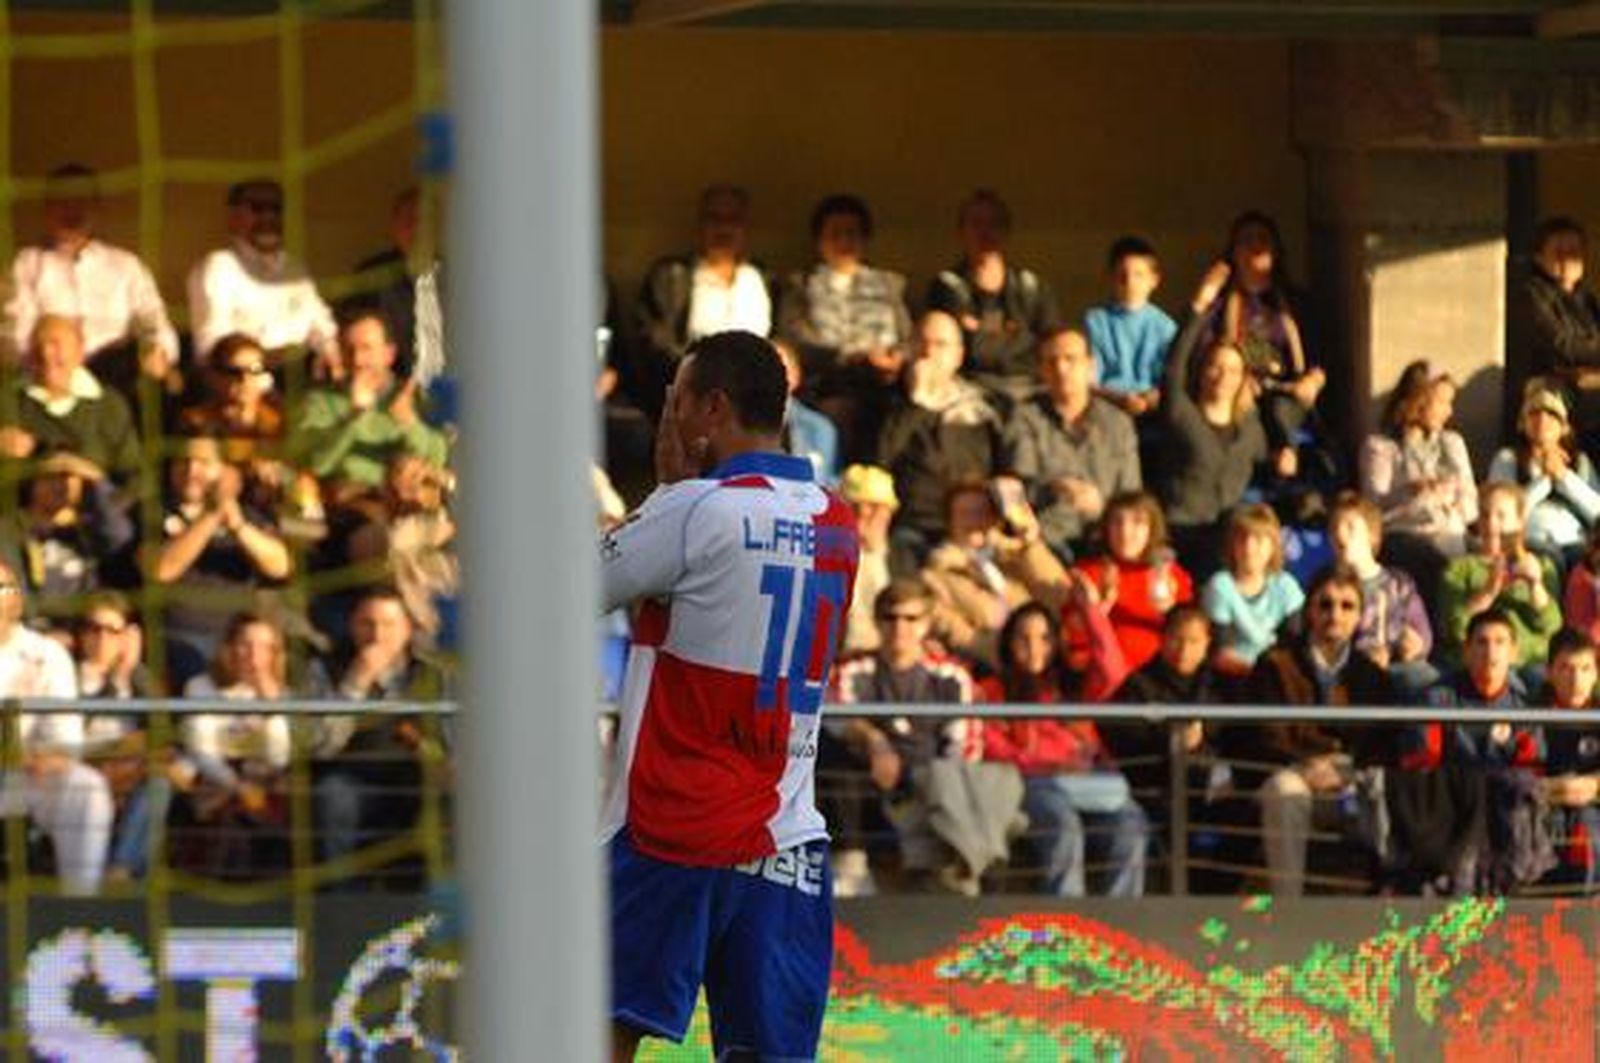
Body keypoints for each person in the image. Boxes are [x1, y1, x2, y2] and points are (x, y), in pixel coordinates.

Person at [599, 330, 859, 1063]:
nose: (671, 419)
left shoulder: (693, 509)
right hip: (785, 835)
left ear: (711, 408)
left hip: (671, 825)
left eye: (676, 402)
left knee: (598, 1032)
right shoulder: (839, 520)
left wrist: (666, 491)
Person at [1229, 564, 1393, 896]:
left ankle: (1384, 900)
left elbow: (1381, 743)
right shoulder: (1275, 664)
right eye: (1325, 604)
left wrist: (1346, 768)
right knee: (1284, 790)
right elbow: (1264, 736)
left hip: (1351, 781)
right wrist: (1307, 766)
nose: (1335, 615)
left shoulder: (1371, 675)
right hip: (1292, 773)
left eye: (1347, 606)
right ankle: (1289, 907)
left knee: (1385, 787)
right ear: (1309, 611)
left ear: (1359, 616)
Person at [830, 580, 994, 896]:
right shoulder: (854, 667)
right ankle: (852, 867)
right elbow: (837, 714)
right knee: (836, 759)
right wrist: (875, 741)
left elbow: (964, 747)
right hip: (870, 784)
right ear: (877, 621)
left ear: (927, 623)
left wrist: (931, 787)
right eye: (890, 617)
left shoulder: (951, 675)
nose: (899, 627)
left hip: (933, 787)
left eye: (911, 618)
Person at [978, 599, 1146, 897]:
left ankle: (1123, 919)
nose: (1034, 647)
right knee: (1063, 825)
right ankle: (1068, 916)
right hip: (1031, 783)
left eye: (1044, 638)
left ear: (1057, 642)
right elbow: (992, 746)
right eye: (1024, 638)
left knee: (1130, 825)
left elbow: (1113, 674)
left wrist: (1092, 611)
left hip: (1087, 781)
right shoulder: (994, 689)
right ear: (1009, 643)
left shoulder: (1073, 682)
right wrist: (1047, 766)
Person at [310, 585, 449, 889]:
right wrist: (356, 683)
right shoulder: (325, 668)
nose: (377, 635)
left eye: (389, 624)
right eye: (367, 624)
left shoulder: (432, 675)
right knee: (333, 797)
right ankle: (345, 905)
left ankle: (419, 907)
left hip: (414, 778)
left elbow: (447, 743)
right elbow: (321, 746)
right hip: (349, 777)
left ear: (408, 629)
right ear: (351, 626)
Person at [5, 164, 178, 389]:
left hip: (116, 382)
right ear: (46, 207)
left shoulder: (126, 265)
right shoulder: (25, 264)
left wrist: (156, 349)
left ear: (97, 207)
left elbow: (153, 320)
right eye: (62, 201)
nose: (72, 211)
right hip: (47, 377)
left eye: (81, 201)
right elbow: (15, 336)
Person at [0, 560, 109, 895]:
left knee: (86, 787)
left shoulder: (47, 655)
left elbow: (64, 744)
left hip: (25, 777)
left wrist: (30, 758)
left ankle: (79, 907)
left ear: (17, 601)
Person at [776, 193, 910, 464]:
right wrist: (850, 356)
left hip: (883, 385)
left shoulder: (890, 285)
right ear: (819, 240)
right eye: (835, 234)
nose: (844, 241)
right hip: (826, 384)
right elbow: (794, 338)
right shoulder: (800, 285)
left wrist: (895, 358)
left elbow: (907, 338)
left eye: (852, 233)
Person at [170, 612, 294, 880]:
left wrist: (272, 709)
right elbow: (201, 748)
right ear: (228, 648)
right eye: (245, 645)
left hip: (260, 776)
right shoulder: (200, 687)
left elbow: (279, 757)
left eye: (264, 647)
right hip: (213, 774)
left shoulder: (281, 694)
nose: (253, 655)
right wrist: (236, 785)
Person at [877, 310, 1003, 573]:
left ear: (958, 356)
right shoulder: (886, 403)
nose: (928, 352)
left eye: (940, 344)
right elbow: (879, 462)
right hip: (912, 528)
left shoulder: (983, 410)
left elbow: (1000, 470)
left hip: (973, 529)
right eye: (921, 342)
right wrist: (916, 403)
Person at [1155, 309, 1278, 577]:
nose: (1223, 376)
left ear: (1243, 377)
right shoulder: (1181, 414)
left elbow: (1266, 461)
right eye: (1215, 367)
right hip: (1181, 533)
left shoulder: (1250, 425)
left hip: (1228, 542)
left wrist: (1284, 454)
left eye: (1233, 370)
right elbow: (1173, 369)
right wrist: (1196, 313)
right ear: (1201, 371)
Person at [287, 309, 449, 508]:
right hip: (351, 505)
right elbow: (317, 465)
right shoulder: (321, 401)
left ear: (389, 354)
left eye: (367, 349)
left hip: (411, 501)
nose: (357, 360)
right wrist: (354, 417)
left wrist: (410, 423)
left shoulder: (414, 396)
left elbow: (438, 458)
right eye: (349, 349)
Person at [1192, 211, 1324, 452]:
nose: (1255, 247)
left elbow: (1320, 358)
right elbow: (1203, 356)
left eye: (1262, 240)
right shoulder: (1219, 307)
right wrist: (1236, 383)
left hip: (1288, 397)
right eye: (1246, 241)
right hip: (1236, 398)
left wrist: (1313, 381)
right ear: (1233, 252)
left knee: (1281, 415)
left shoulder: (1296, 303)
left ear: (1275, 250)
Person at [634, 185, 772, 415]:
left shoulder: (763, 278)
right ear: (699, 225)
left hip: (757, 397)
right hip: (689, 395)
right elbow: (654, 341)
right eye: (714, 218)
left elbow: (779, 342)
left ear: (746, 227)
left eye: (733, 219)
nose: (723, 228)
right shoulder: (671, 276)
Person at [1004, 328, 1141, 558]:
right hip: (1044, 541)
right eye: (1052, 361)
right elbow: (1016, 488)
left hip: (1109, 539)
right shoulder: (1024, 417)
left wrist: (1101, 504)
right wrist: (1055, 488)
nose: (1061, 369)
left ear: (1090, 366)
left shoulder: (1118, 424)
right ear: (1041, 370)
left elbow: (1131, 494)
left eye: (1070, 359)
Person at [186, 178, 338, 372]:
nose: (269, 217)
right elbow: (211, 345)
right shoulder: (219, 267)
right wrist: (263, 359)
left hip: (303, 375)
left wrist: (330, 353)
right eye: (257, 208)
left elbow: (322, 326)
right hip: (245, 376)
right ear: (233, 216)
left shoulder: (295, 269)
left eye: (277, 209)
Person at [925, 189, 1062, 402]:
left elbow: (1052, 341)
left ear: (1006, 231)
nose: (985, 231)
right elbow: (953, 345)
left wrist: (978, 329)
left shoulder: (1032, 287)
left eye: (994, 224)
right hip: (966, 389)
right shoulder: (946, 286)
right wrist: (1015, 334)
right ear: (961, 232)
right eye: (976, 223)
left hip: (1028, 388)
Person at [1360, 360, 1478, 602]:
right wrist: (1419, 496)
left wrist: (1451, 500)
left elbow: (1470, 505)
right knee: (1431, 564)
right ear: (1418, 401)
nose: (1449, 412)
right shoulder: (1381, 448)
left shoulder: (1452, 443)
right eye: (1442, 402)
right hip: (1405, 535)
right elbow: (1376, 509)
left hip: (1452, 532)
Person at [0, 315, 141, 486]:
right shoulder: (9, 399)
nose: (46, 353)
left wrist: (92, 477)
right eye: (38, 345)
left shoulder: (108, 406)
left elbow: (135, 477)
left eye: (55, 344)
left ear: (79, 352)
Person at [1438, 481, 1562, 672]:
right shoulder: (1458, 569)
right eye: (1485, 515)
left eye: (1501, 516)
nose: (1491, 524)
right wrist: (1489, 591)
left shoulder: (1542, 566)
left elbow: (1552, 628)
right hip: (1477, 666)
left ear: (1519, 521)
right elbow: (1455, 630)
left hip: (1529, 664)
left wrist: (1535, 586)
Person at [1069, 489, 1193, 673]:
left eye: (1137, 522)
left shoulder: (1170, 576)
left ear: (1151, 530)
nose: (1125, 532)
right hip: (1105, 675)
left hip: (1160, 676)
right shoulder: (1086, 573)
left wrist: (1171, 614)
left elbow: (1191, 640)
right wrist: (1098, 610)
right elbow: (1073, 644)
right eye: (1117, 522)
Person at [1325, 490, 1435, 694]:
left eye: (1350, 527)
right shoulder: (1326, 586)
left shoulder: (1398, 583)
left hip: (1397, 667)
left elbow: (1422, 631)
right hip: (1348, 671)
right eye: (1334, 528)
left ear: (1372, 535)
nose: (1340, 534)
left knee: (1424, 680)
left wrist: (1416, 644)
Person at [918, 480, 1034, 669]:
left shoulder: (1016, 560)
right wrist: (1009, 653)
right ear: (949, 522)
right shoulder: (935, 575)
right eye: (965, 514)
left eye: (981, 513)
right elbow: (957, 633)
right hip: (985, 667)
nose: (973, 522)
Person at [1485, 378, 1600, 563]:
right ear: (1523, 423)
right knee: (1549, 558)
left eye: (1551, 415)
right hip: (1530, 543)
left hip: (1575, 542)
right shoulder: (1507, 459)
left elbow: (1597, 513)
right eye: (1534, 413)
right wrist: (1544, 480)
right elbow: (1500, 513)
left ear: (1564, 427)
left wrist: (1564, 477)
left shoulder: (1580, 462)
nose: (1542, 420)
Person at [1519, 216, 1600, 449]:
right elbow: (1560, 344)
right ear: (1539, 257)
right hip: (1553, 386)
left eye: (1574, 251)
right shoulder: (1532, 294)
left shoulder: (1587, 299)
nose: (1568, 258)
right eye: (1559, 252)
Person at [1202, 503, 1306, 678]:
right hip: (1230, 679)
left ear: (1273, 546)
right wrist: (1256, 676)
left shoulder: (1286, 586)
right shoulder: (1220, 586)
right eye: (1242, 539)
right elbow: (1219, 652)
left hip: (1277, 675)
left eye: (1258, 539)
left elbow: (1295, 642)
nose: (1249, 548)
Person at [1084, 235, 1177, 419]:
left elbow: (1170, 381)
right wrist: (1118, 399)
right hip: (1108, 406)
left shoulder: (1166, 327)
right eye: (1122, 275)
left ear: (1154, 280)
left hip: (1153, 410)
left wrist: (1154, 396)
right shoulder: (1095, 321)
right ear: (1111, 277)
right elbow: (1090, 382)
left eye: (1139, 275)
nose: (1129, 282)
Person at [1539, 629, 1600, 891]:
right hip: (1544, 804)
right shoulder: (1532, 716)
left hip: (1592, 804)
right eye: (1566, 668)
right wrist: (1553, 789)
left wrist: (1595, 785)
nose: (1576, 679)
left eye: (1585, 669)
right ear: (1549, 672)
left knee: (1588, 823)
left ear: (1596, 674)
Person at [837, 464, 896, 655]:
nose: (864, 514)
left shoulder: (908, 558)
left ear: (889, 513)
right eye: (855, 507)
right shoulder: (824, 558)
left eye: (874, 507)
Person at [774, 339, 839, 485]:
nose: (772, 379)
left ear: (796, 376)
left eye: (781, 370)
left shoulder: (818, 428)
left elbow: (827, 482)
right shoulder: (733, 423)